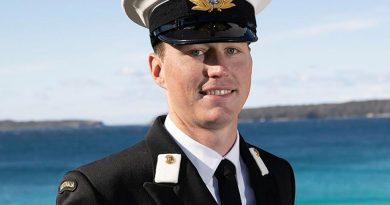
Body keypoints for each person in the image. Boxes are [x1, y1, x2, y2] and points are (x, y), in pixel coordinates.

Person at [56, 0, 295, 204]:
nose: (219, 69)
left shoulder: (277, 175)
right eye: (196, 51)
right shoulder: (103, 191)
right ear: (158, 70)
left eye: (232, 50)